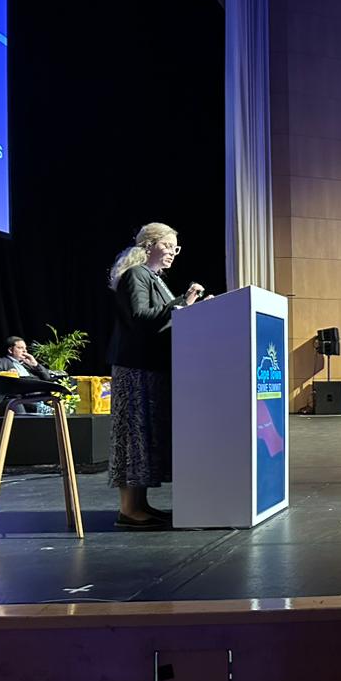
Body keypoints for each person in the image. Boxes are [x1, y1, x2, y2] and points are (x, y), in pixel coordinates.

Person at [106, 222, 208, 529]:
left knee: (145, 437)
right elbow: (140, 318)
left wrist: (191, 308)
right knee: (133, 436)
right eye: (167, 246)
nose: (173, 254)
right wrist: (183, 303)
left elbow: (165, 316)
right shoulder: (136, 274)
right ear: (149, 245)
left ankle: (141, 505)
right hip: (135, 369)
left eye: (176, 248)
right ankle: (128, 510)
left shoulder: (155, 278)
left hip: (151, 368)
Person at [0, 336, 60, 414]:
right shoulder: (2, 361)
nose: (25, 351)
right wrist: (7, 373)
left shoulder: (27, 364)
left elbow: (47, 377)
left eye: (25, 348)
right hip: (22, 395)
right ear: (10, 350)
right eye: (20, 348)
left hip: (39, 395)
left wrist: (35, 365)